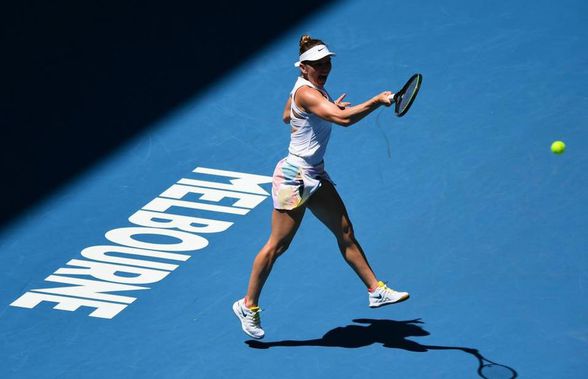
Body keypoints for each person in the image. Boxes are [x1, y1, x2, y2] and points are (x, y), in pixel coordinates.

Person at [233, 35, 409, 339]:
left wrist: (323, 108)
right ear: (304, 68)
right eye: (317, 64)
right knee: (278, 245)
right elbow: (343, 121)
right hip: (295, 178)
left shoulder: (309, 90)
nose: (324, 67)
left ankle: (375, 290)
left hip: (314, 174)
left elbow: (286, 115)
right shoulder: (307, 93)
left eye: (327, 62)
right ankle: (248, 305)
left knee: (345, 231)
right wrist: (376, 102)